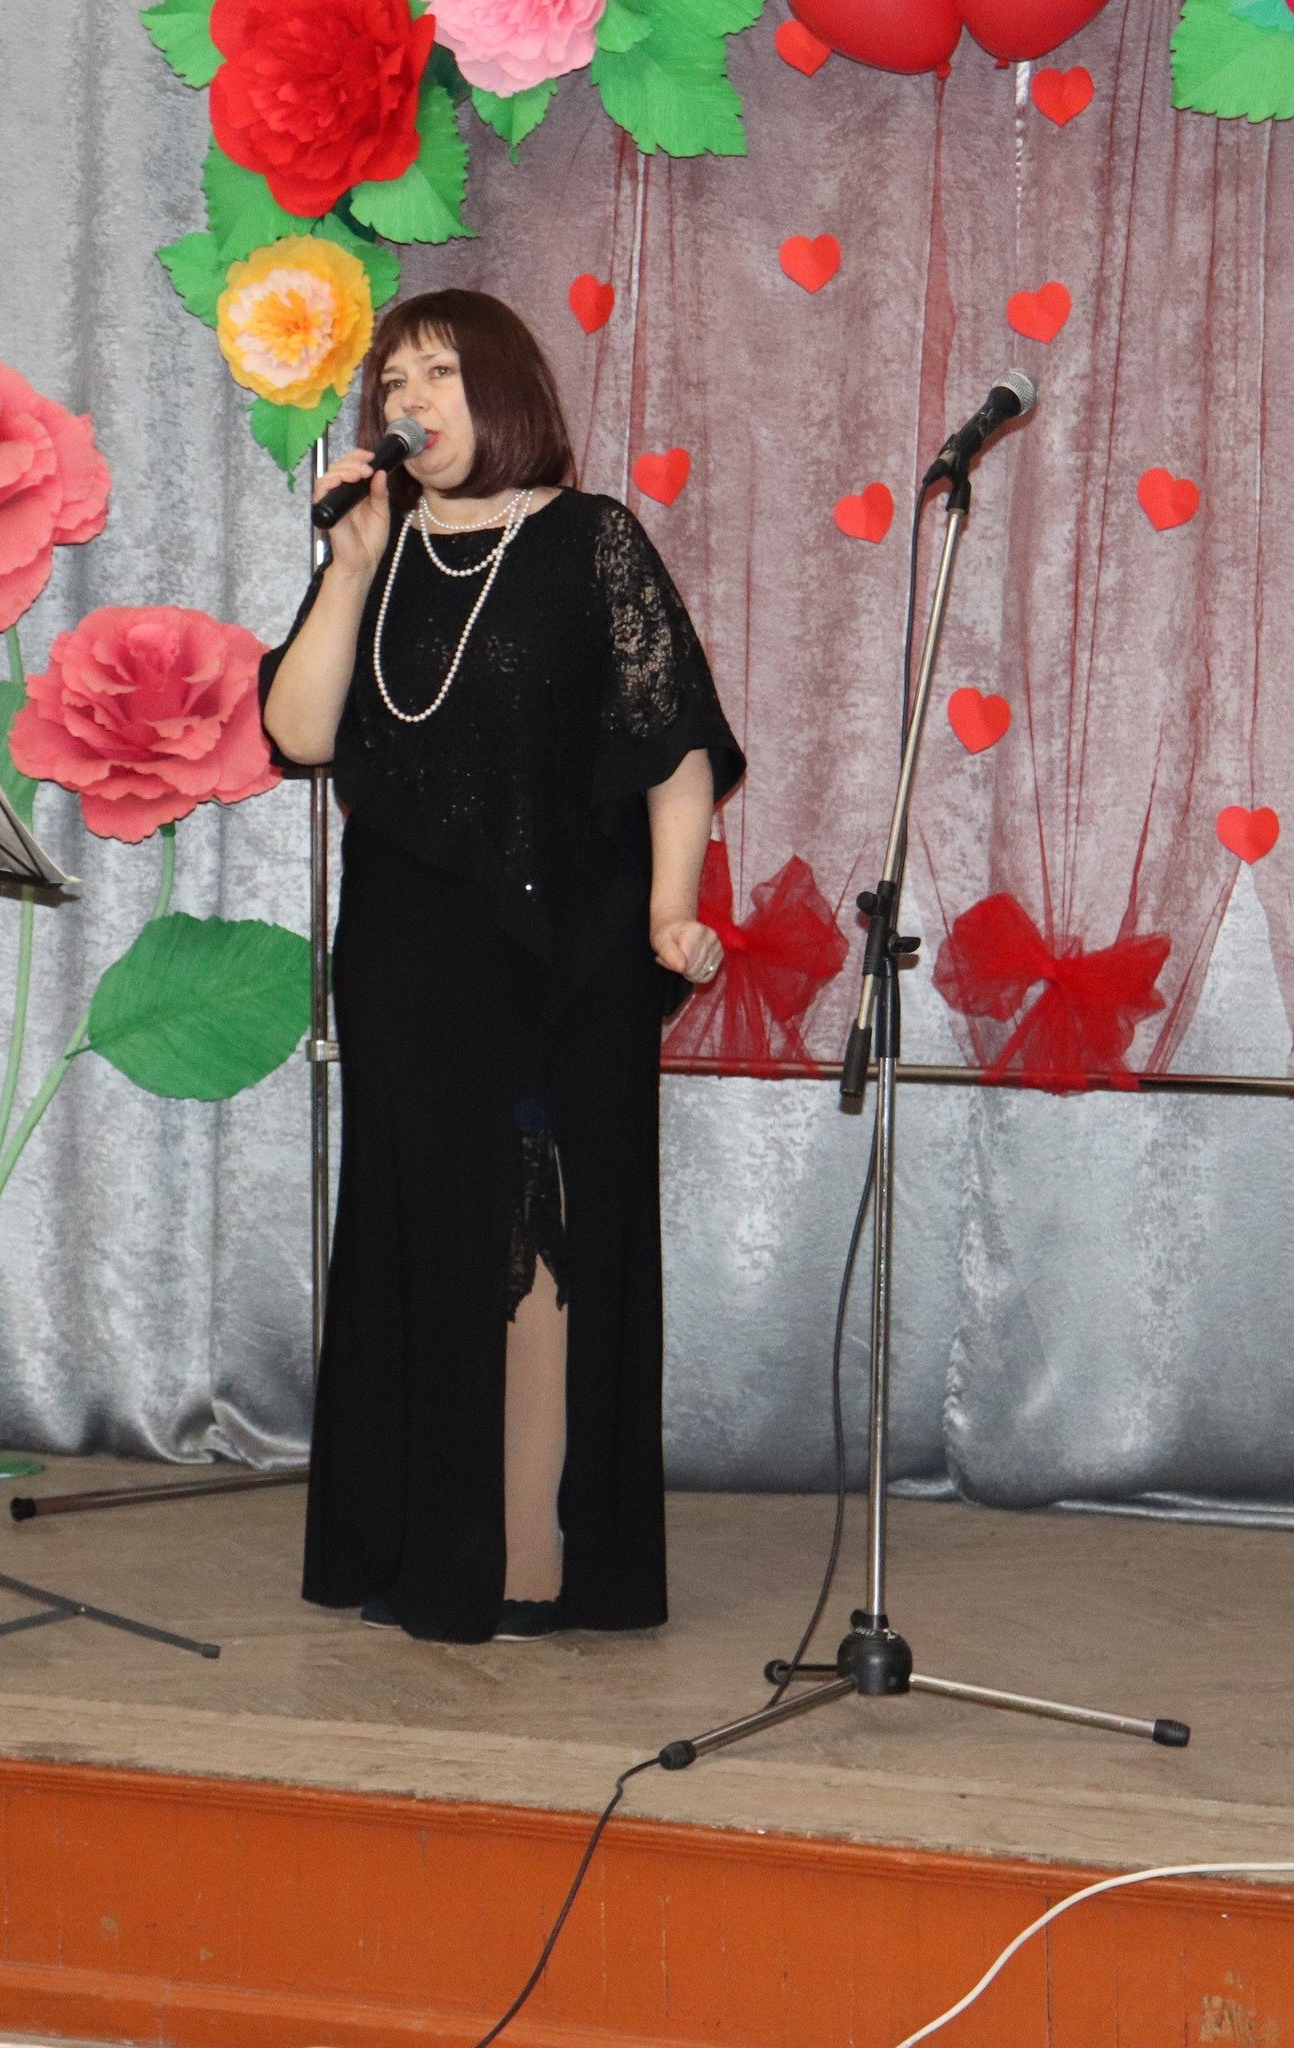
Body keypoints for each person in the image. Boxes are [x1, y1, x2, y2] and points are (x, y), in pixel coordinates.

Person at [259, 289, 743, 1645]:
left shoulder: (594, 538)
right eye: (394, 382)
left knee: (544, 1235)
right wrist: (348, 566)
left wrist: (672, 910)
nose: (410, 401)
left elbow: (673, 744)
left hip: (571, 950)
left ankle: (538, 1561)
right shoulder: (378, 550)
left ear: (507, 390)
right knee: (424, 1230)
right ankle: (423, 1547)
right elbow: (298, 734)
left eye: (439, 373)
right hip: (408, 957)